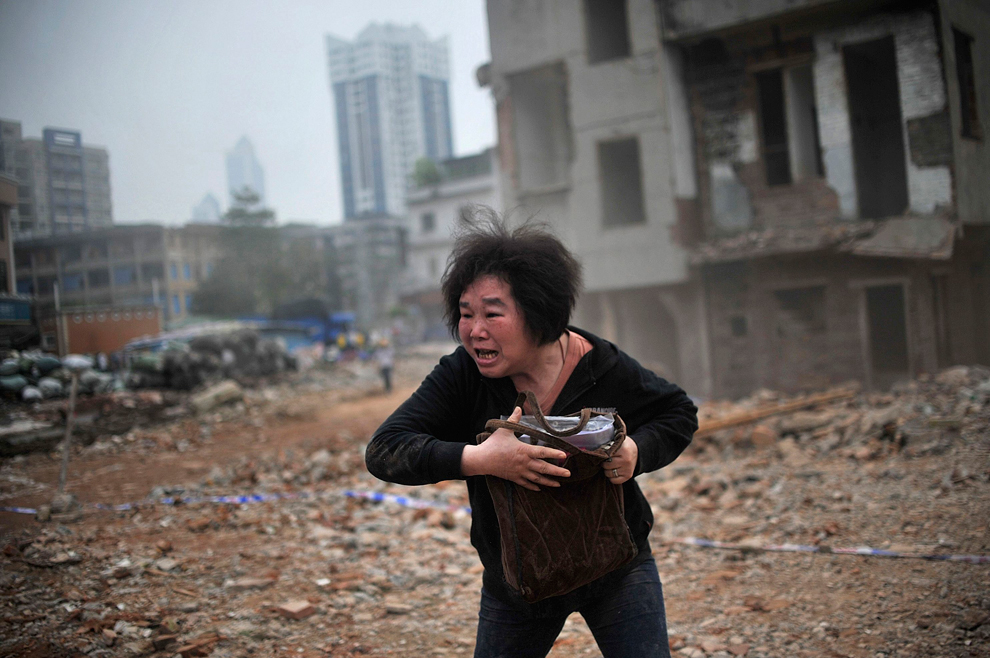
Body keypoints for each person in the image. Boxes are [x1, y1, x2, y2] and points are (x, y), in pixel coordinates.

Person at [366, 212, 697, 658]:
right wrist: (480, 459)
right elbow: (385, 450)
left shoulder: (600, 367)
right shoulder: (462, 376)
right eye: (466, 314)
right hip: (517, 584)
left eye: (492, 314)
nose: (474, 330)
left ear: (538, 314)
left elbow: (678, 412)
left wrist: (637, 451)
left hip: (617, 568)